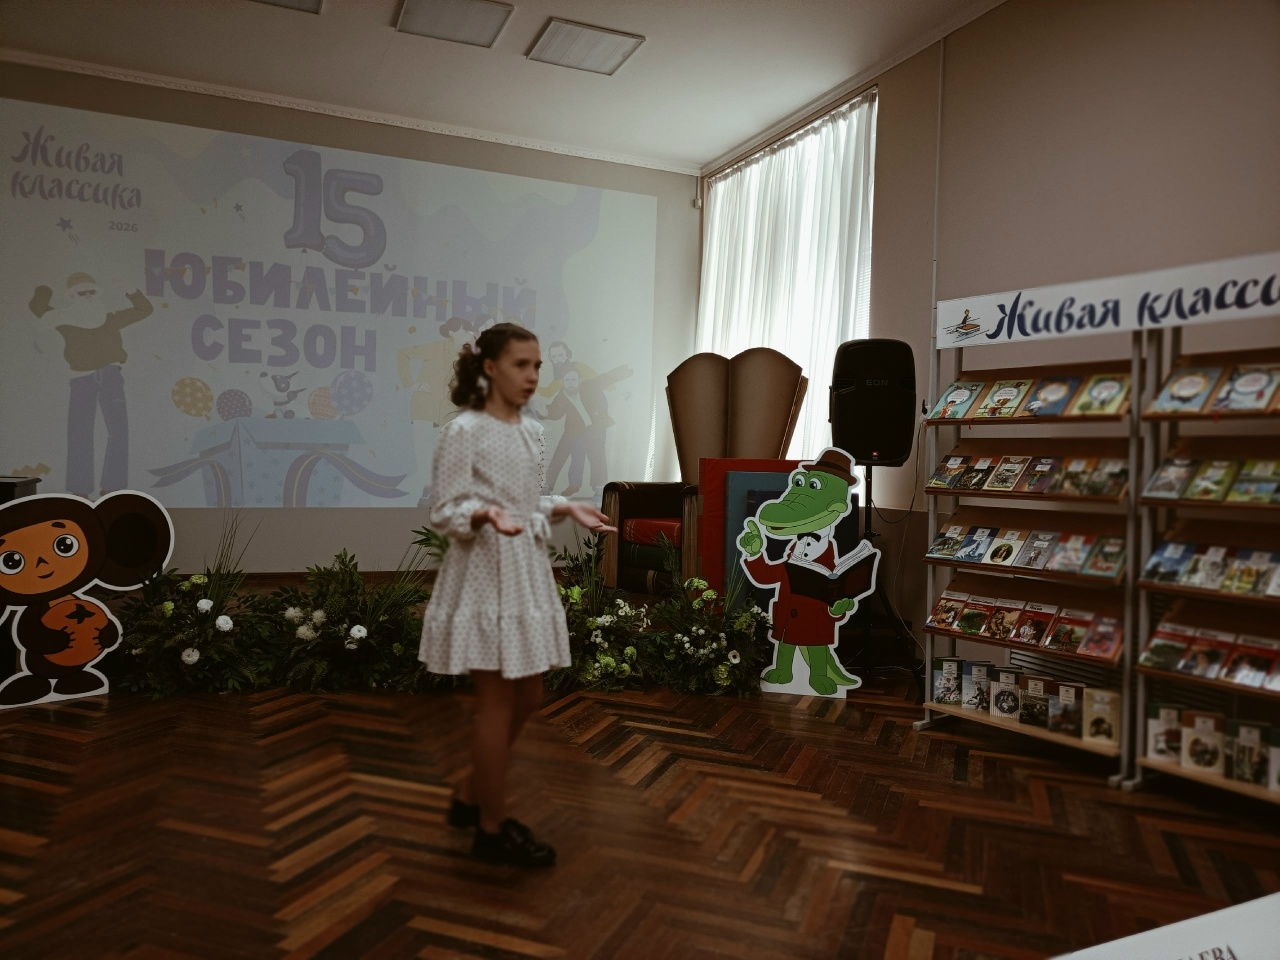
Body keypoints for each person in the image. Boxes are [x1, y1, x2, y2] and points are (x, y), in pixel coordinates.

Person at [418, 322, 615, 868]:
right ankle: (490, 829)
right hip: (483, 573)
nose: (531, 376)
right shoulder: (463, 431)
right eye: (520, 365)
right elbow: (444, 512)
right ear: (490, 368)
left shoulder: (531, 431)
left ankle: (468, 796)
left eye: (537, 366)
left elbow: (525, 500)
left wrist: (567, 506)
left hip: (525, 567)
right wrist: (483, 515)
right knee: (497, 701)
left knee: (529, 696)